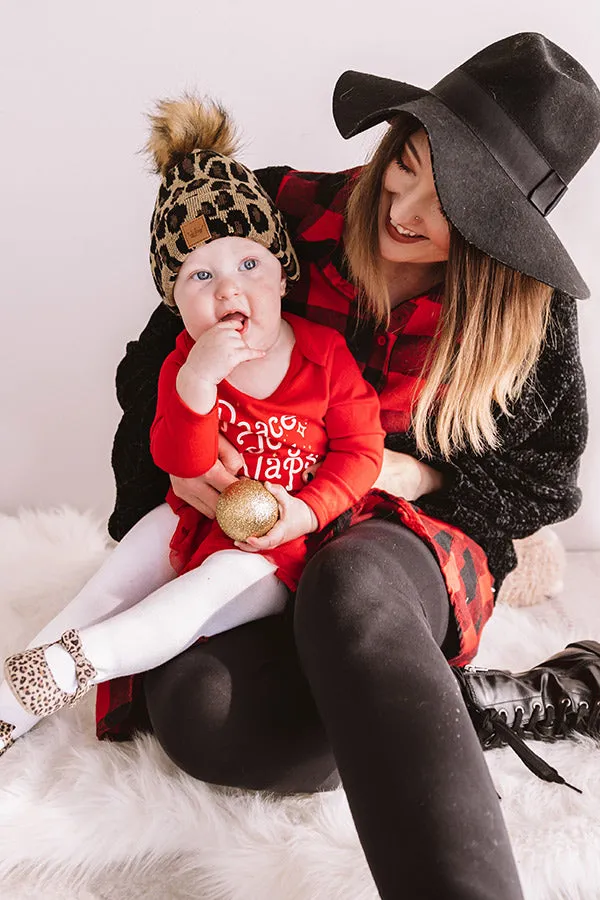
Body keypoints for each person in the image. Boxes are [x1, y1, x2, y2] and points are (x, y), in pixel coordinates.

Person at [4, 31, 600, 900]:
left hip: (396, 544)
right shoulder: (279, 215)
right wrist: (175, 464)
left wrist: (407, 475)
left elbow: (547, 478)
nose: (404, 205)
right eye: (408, 162)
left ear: (502, 226)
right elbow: (154, 366)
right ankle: (486, 704)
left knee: (349, 585)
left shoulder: (527, 318)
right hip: (248, 546)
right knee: (203, 718)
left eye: (453, 201)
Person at [0, 98, 386, 740]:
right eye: (200, 276)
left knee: (200, 596)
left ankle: (82, 663)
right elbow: (178, 461)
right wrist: (198, 380)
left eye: (249, 266)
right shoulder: (186, 360)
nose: (229, 290)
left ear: (283, 276)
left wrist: (308, 510)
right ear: (174, 300)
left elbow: (361, 452)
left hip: (277, 551)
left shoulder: (323, 355)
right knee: (113, 581)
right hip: (195, 515)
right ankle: (13, 701)